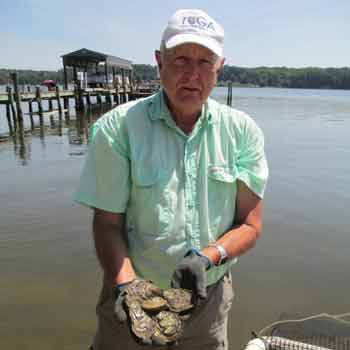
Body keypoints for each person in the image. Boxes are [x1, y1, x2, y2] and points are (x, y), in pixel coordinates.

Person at [75, 8, 268, 350]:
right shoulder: (117, 128)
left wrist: (209, 256)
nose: (192, 74)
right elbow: (106, 225)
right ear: (159, 62)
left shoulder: (242, 132)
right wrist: (127, 286)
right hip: (132, 294)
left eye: (205, 62)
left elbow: (250, 225)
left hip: (208, 300)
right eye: (180, 59)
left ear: (220, 67)